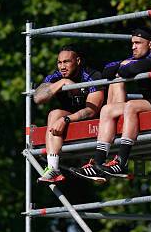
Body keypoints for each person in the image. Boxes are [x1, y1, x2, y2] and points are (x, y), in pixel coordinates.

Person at [71, 26, 151, 183]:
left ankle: (122, 162)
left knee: (131, 105)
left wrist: (126, 66)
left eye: (138, 43)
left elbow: (133, 69)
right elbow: (106, 71)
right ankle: (98, 164)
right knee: (107, 110)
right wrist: (124, 64)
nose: (133, 46)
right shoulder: (140, 56)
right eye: (132, 43)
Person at [33, 45, 104, 182]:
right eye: (59, 62)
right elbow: (38, 98)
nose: (62, 66)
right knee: (54, 114)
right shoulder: (57, 76)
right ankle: (53, 169)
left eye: (66, 62)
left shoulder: (92, 76)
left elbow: (91, 111)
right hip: (70, 119)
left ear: (77, 61)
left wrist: (66, 119)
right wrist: (62, 82)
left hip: (96, 121)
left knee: (58, 117)